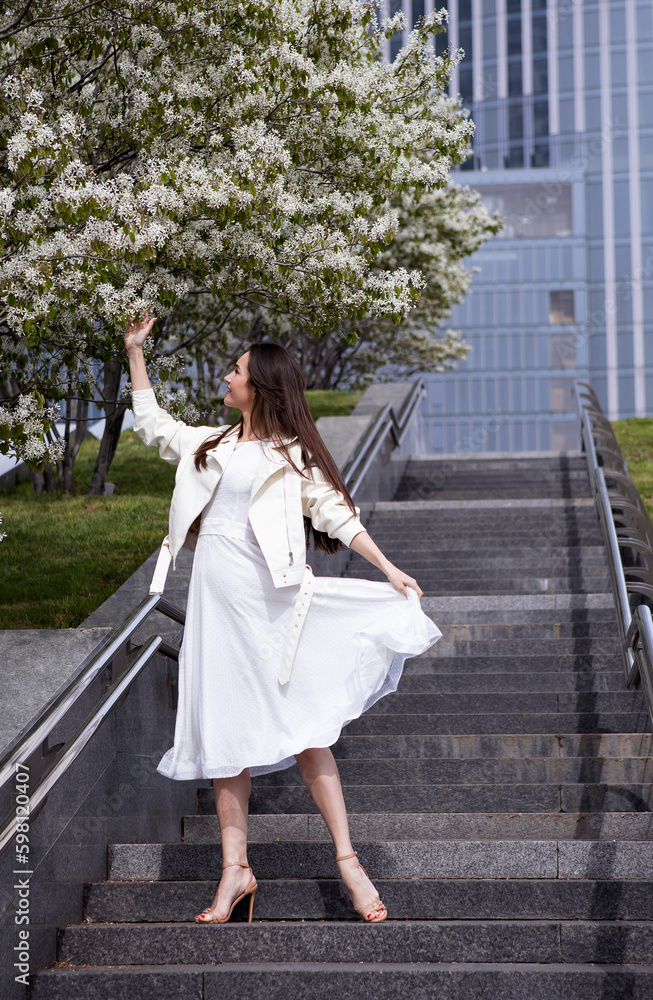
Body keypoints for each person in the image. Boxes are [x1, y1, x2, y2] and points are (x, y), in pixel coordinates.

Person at [125, 310, 441, 925]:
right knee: (224, 738)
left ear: (259, 385)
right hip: (217, 609)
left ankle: (349, 862)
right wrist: (136, 353)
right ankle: (234, 871)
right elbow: (152, 424)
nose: (225, 376)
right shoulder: (210, 446)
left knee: (305, 732)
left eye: (235, 371)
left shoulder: (293, 455)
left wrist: (390, 569)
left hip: (271, 605)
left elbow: (336, 515)